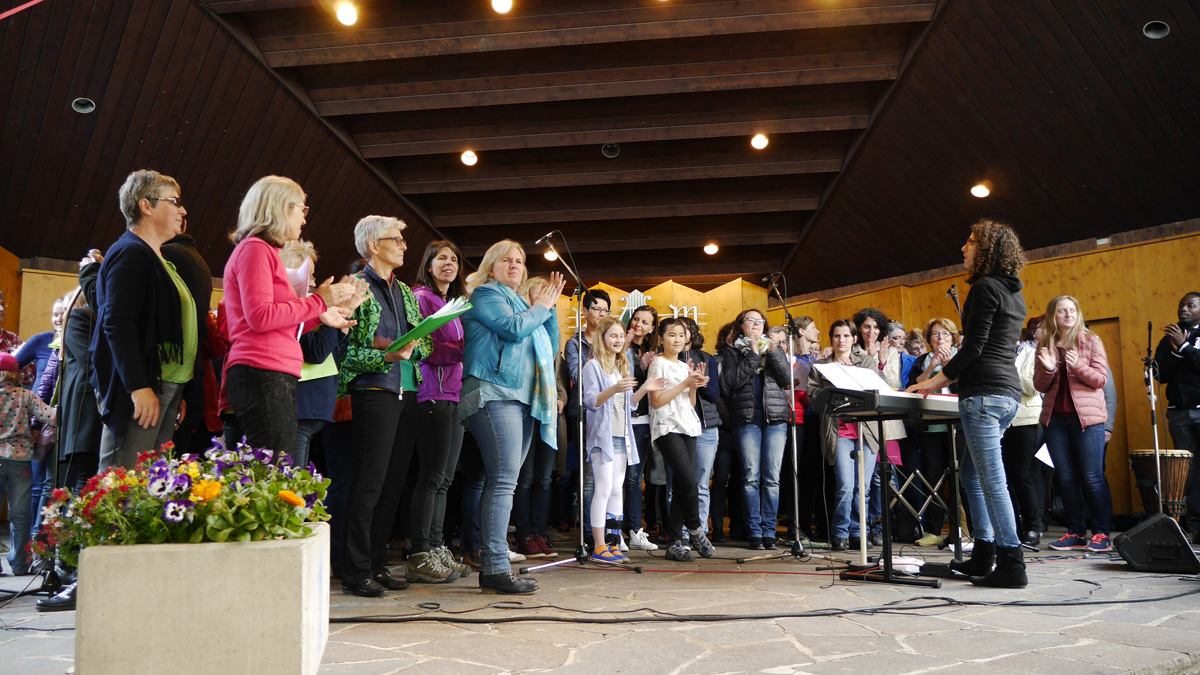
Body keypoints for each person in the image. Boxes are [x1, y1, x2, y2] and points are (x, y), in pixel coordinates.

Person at [908, 219, 1028, 588]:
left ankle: (1012, 562)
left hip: (983, 395)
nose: (964, 247)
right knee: (973, 476)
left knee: (991, 480)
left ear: (987, 249)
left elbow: (974, 347)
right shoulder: (1014, 293)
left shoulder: (984, 287)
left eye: (971, 241)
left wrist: (932, 382)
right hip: (1006, 395)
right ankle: (983, 554)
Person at [222, 175, 363, 457]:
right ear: (281, 207)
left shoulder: (264, 251)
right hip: (261, 369)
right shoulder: (254, 249)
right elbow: (260, 317)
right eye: (302, 209)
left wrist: (321, 315)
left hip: (271, 370)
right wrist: (318, 302)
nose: (304, 219)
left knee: (276, 467)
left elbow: (277, 323)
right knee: (273, 467)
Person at [459, 240, 564, 594]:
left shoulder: (523, 302)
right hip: (493, 391)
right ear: (491, 267)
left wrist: (549, 309)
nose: (515, 265)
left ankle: (494, 566)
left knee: (506, 481)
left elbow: (548, 346)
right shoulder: (485, 294)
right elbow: (512, 329)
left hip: (521, 397)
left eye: (519, 260)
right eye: (507, 260)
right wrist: (540, 307)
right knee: (503, 480)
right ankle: (495, 567)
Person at [336, 216, 432, 596]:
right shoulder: (354, 287)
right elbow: (345, 352)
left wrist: (412, 346)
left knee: (392, 487)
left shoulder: (404, 290)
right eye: (396, 239)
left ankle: (376, 564)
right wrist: (387, 355)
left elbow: (424, 343)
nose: (404, 245)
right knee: (369, 486)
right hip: (373, 391)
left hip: (407, 392)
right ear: (373, 246)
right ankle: (355, 571)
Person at [90, 170, 198, 471]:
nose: (183, 211)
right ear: (146, 206)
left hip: (165, 384)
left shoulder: (156, 257)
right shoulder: (129, 252)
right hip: (143, 385)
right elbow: (118, 322)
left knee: (149, 483)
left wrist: (176, 388)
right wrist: (138, 387)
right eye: (175, 202)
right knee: (122, 481)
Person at [410, 241, 472, 578]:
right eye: (441, 258)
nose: (449, 263)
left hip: (453, 396)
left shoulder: (453, 304)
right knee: (431, 477)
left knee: (445, 479)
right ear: (429, 265)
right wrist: (463, 349)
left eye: (454, 259)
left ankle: (436, 547)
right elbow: (424, 347)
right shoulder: (422, 298)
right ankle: (420, 552)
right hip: (431, 395)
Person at [1034, 295, 1113, 553]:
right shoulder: (1045, 345)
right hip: (1055, 420)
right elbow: (1039, 386)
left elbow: (1100, 380)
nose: (1068, 315)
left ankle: (1101, 533)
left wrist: (1077, 365)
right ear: (1053, 316)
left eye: (1072, 310)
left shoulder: (1091, 341)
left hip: (1087, 421)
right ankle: (1075, 532)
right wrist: (1048, 369)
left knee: (1091, 477)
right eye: (1062, 311)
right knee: (1066, 478)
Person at [582, 316, 663, 562]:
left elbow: (630, 405)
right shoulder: (593, 366)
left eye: (620, 336)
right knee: (604, 488)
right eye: (613, 336)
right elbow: (590, 401)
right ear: (602, 338)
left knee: (617, 490)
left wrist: (645, 387)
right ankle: (598, 546)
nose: (618, 340)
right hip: (602, 437)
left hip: (622, 436)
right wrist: (614, 389)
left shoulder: (620, 366)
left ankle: (614, 543)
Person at [719, 309, 792, 550]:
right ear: (741, 326)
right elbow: (731, 382)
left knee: (772, 478)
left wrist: (772, 351)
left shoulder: (774, 349)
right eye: (750, 320)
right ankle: (754, 532)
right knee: (750, 477)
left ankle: (769, 532)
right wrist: (753, 353)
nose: (756, 324)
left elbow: (785, 379)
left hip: (775, 418)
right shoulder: (732, 352)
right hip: (747, 419)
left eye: (760, 321)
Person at [807, 319, 876, 552]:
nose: (841, 340)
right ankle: (840, 533)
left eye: (846, 336)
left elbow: (878, 391)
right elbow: (813, 396)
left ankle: (859, 533)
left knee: (863, 487)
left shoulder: (865, 362)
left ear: (854, 339)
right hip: (839, 432)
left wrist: (851, 374)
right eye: (837, 335)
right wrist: (836, 382)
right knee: (845, 485)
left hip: (866, 432)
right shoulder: (821, 366)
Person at [650, 317, 715, 561]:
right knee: (688, 481)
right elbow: (657, 401)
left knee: (681, 484)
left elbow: (690, 402)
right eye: (671, 335)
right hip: (667, 426)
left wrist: (694, 385)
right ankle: (696, 529)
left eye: (680, 335)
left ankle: (675, 540)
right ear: (661, 339)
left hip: (688, 426)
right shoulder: (658, 363)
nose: (677, 339)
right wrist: (685, 383)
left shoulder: (683, 365)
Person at [277, 239, 343, 469]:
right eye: (310, 275)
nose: (313, 282)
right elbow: (317, 351)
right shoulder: (294, 305)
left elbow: (335, 351)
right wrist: (329, 317)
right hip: (301, 402)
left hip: (312, 402)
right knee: (289, 476)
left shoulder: (305, 305)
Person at [512, 276, 563, 560]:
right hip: (524, 406)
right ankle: (524, 535)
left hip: (546, 409)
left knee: (544, 477)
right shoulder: (521, 324)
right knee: (526, 476)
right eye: (540, 293)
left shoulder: (546, 330)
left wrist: (551, 311)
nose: (546, 298)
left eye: (550, 294)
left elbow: (554, 352)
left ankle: (539, 533)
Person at [0, 352, 56, 576]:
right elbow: (50, 416)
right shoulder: (26, 396)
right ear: (16, 374)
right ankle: (20, 562)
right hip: (20, 461)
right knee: (20, 514)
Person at [906, 317, 960, 546]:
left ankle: (964, 530)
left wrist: (948, 367)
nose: (940, 338)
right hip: (930, 425)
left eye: (945, 333)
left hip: (957, 424)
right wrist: (931, 367)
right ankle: (933, 530)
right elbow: (913, 386)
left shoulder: (962, 356)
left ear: (953, 337)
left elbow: (962, 385)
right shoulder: (922, 360)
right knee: (933, 477)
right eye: (936, 334)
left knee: (960, 478)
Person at [1154, 292, 1200, 542]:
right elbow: (1160, 375)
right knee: (1188, 473)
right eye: (1181, 305)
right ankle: (1193, 527)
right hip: (1180, 413)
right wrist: (1175, 351)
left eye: (1191, 305)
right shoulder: (1168, 339)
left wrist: (1184, 347)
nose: (1184, 309)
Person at [1003, 315, 1045, 547]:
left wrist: (1008, 372)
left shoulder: (1035, 352)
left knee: (1021, 474)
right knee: (1004, 477)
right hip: (1001, 419)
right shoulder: (1002, 352)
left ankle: (1033, 527)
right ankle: (1013, 528)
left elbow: (1033, 387)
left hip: (1025, 419)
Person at [623, 305, 661, 550]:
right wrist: (640, 366)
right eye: (636, 319)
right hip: (621, 418)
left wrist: (648, 366)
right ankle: (614, 532)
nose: (638, 324)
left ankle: (635, 530)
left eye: (645, 322)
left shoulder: (652, 352)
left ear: (652, 328)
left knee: (635, 479)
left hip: (643, 420)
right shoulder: (619, 344)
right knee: (617, 478)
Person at [0, 291, 37, 387]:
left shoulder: (13, 338)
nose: (1, 309)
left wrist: (14, 364)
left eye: (2, 304)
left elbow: (30, 379)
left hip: (10, 394)